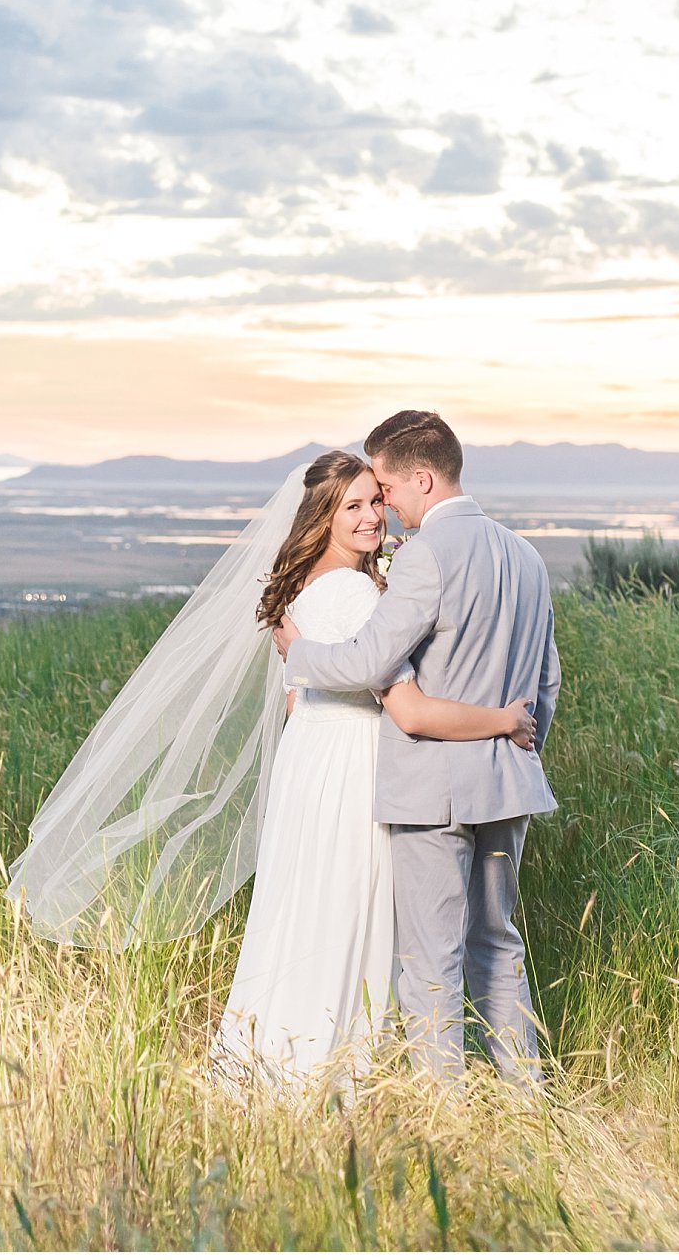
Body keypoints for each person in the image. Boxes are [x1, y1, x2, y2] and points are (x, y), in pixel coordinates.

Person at [212, 448, 533, 1093]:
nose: (370, 517)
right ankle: (343, 1071)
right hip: (356, 768)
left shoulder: (300, 591)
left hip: (309, 768)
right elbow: (408, 710)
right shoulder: (356, 594)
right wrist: (505, 721)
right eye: (351, 507)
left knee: (307, 909)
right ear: (322, 517)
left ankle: (275, 1059)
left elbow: (298, 700)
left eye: (373, 500)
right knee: (354, 914)